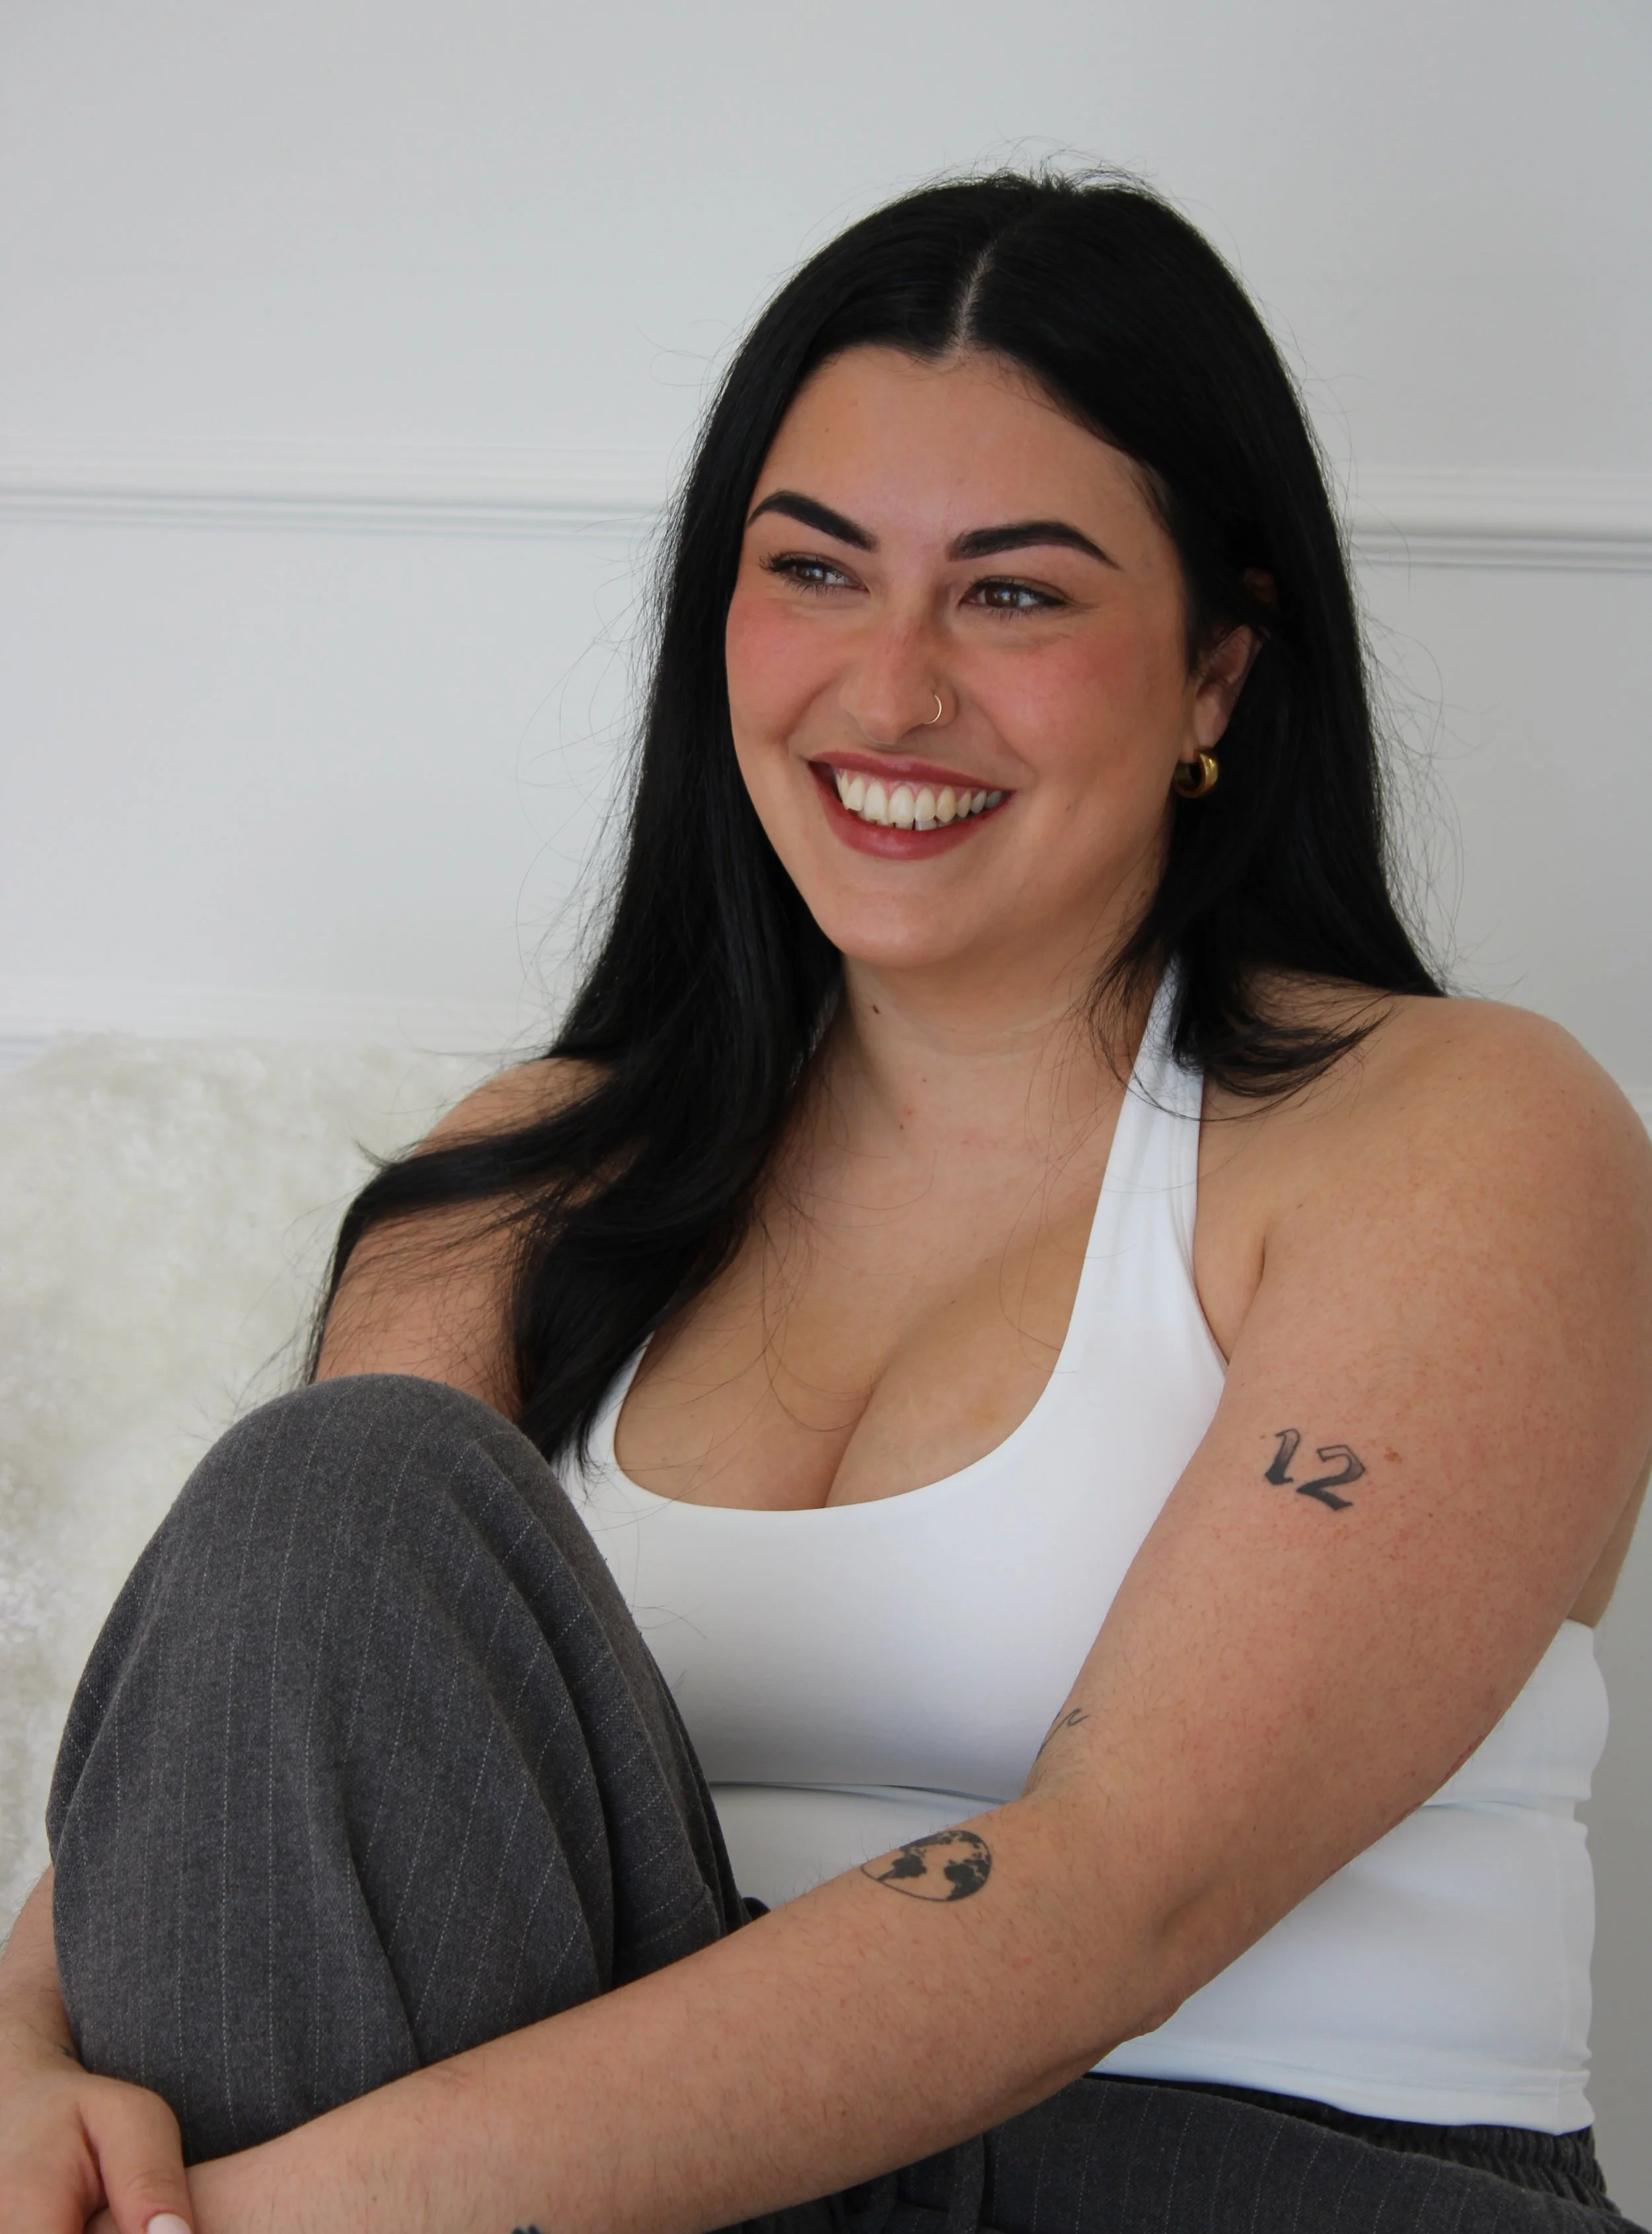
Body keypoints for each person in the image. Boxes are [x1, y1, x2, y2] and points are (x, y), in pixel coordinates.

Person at [3, 169, 1649, 2234]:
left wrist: (258, 2217)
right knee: (321, 1500)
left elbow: (1113, 1891)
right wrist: (23, 2054)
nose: (887, 692)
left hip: (1246, 2165)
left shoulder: (1462, 1133)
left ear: (1218, 669)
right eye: (813, 571)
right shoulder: (524, 1178)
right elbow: (251, 1733)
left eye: (1012, 595)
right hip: (584, 2187)